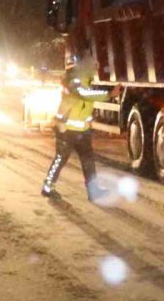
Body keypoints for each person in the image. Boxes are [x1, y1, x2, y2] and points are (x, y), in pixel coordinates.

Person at [42, 57, 120, 201]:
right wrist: (108, 95)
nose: (96, 70)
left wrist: (88, 123)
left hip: (81, 131)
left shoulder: (84, 80)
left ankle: (93, 191)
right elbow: (83, 94)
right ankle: (47, 187)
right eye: (94, 67)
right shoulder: (74, 80)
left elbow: (84, 105)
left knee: (88, 160)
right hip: (66, 128)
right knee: (61, 159)